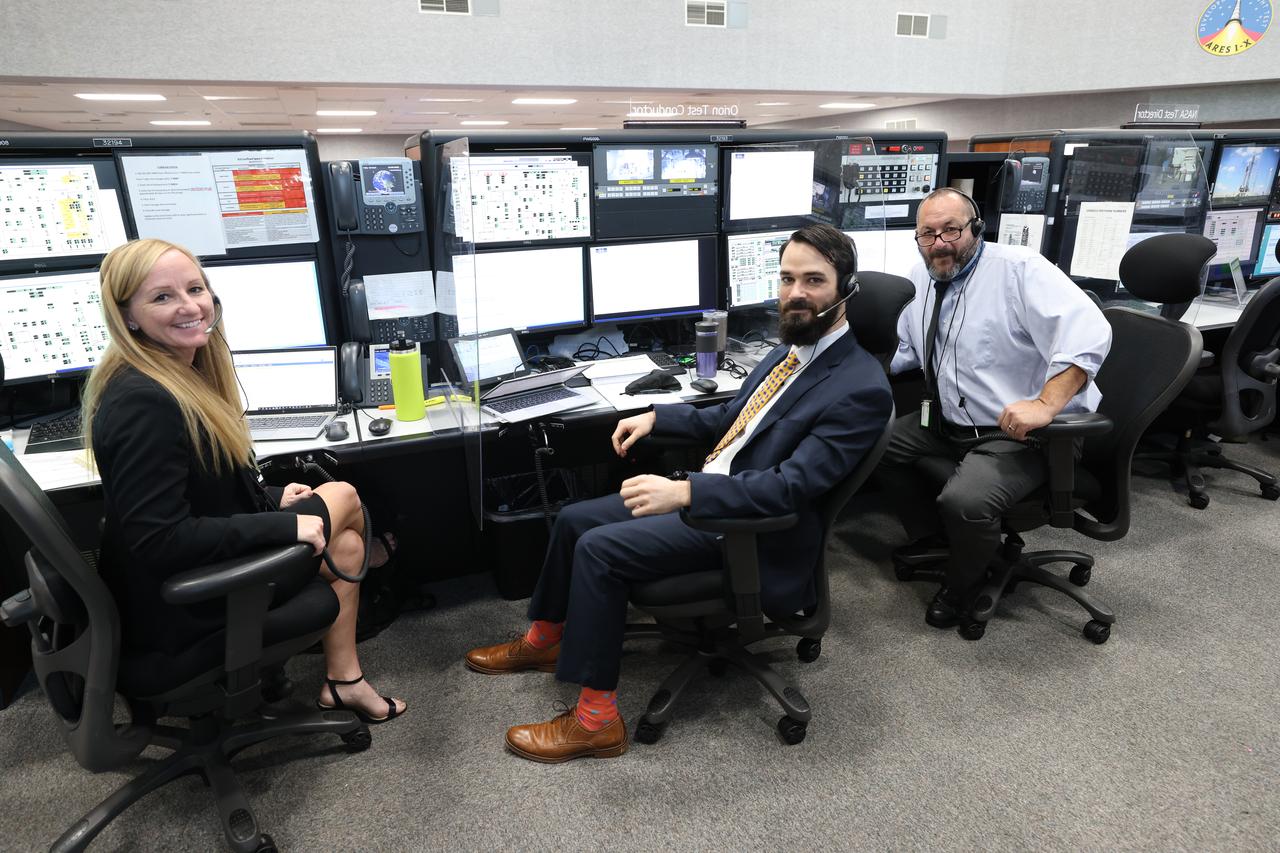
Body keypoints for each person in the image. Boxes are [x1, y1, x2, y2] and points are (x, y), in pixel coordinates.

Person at [464, 223, 894, 763]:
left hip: (755, 533)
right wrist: (655, 418)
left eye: (814, 280)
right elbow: (732, 417)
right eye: (787, 279)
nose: (796, 294)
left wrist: (687, 493)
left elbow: (791, 488)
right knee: (576, 519)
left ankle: (596, 723)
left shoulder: (859, 388)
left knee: (601, 549)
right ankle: (546, 639)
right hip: (715, 495)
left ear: (845, 290)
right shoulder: (792, 351)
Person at [82, 239, 406, 724]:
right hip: (181, 605)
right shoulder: (142, 402)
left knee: (345, 549)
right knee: (343, 497)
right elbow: (160, 539)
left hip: (188, 579)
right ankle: (388, 562)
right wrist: (283, 527)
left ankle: (344, 682)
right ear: (127, 315)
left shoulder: (174, 376)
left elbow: (200, 490)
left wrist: (271, 498)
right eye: (162, 297)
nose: (190, 306)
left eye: (196, 288)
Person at [879, 188, 1113, 631]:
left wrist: (1045, 404)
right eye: (927, 233)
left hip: (1023, 435)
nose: (940, 242)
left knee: (966, 500)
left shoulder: (1020, 270)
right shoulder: (922, 278)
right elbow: (905, 352)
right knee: (876, 445)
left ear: (975, 228)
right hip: (948, 421)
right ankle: (940, 538)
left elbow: (1089, 335)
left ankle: (962, 583)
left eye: (951, 230)